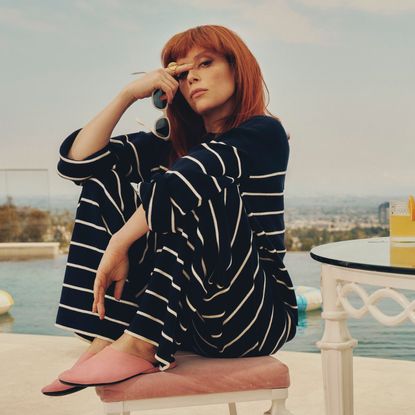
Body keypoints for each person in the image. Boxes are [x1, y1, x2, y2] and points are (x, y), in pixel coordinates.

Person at [41, 24, 298, 396]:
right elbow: (78, 164)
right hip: (185, 318)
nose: (193, 75)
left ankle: (140, 342)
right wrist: (128, 94)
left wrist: (119, 242)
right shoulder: (170, 145)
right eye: (182, 70)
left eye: (206, 63)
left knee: (202, 187)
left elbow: (183, 184)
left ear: (236, 68)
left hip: (253, 315)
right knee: (103, 181)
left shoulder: (263, 132)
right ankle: (108, 332)